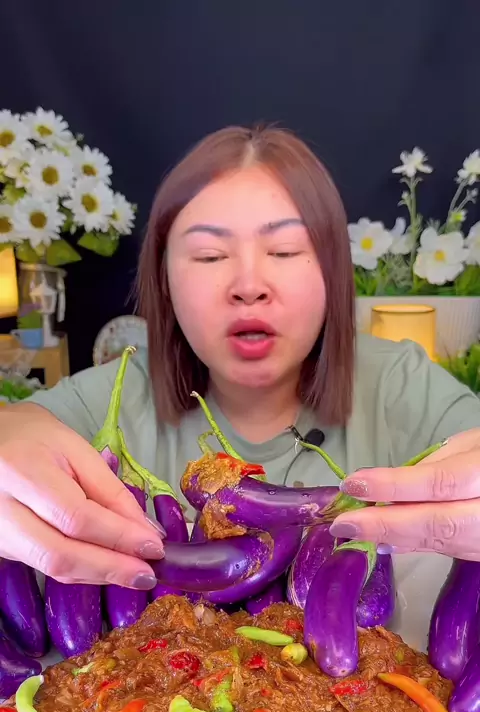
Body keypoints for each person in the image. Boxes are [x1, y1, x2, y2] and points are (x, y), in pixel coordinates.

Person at [1, 124, 480, 591]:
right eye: (210, 255)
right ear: (164, 281)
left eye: (285, 251)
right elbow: (22, 431)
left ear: (333, 273)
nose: (249, 286)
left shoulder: (401, 384)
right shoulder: (110, 397)